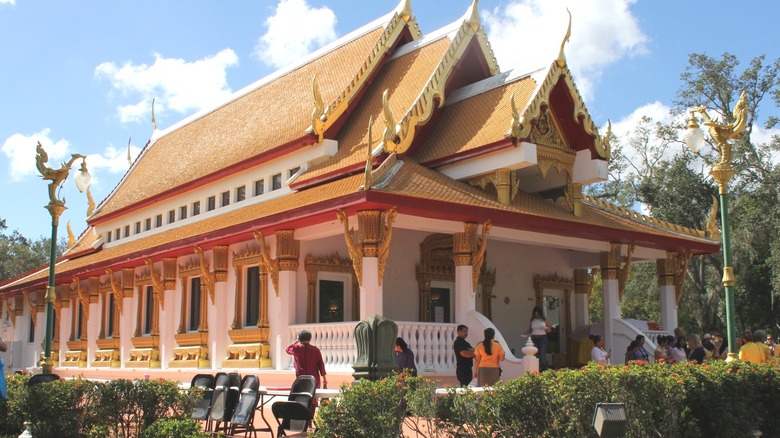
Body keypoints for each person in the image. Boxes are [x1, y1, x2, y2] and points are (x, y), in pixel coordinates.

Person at [286, 330, 327, 412]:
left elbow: (287, 349)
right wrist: (325, 379)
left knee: (301, 399)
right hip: (314, 379)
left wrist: (297, 341)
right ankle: (309, 420)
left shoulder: (296, 348)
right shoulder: (315, 350)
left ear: (299, 338)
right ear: (310, 339)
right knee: (312, 400)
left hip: (301, 379)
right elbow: (321, 365)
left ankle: (303, 420)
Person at [527, 306, 551, 371]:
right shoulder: (532, 319)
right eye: (535, 314)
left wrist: (546, 329)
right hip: (534, 338)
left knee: (542, 355)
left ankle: (545, 369)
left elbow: (549, 328)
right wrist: (525, 333)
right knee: (535, 355)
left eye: (538, 314)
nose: (536, 315)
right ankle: (536, 369)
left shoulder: (544, 319)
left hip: (542, 338)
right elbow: (530, 329)